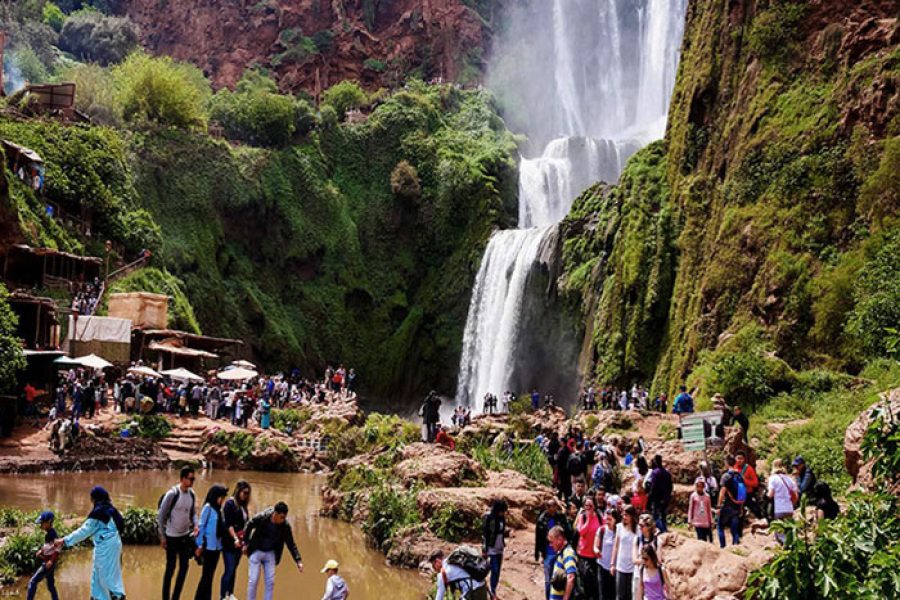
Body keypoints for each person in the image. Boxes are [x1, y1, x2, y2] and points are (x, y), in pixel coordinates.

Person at [55, 486, 126, 600]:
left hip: (105, 547)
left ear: (95, 499)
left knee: (106, 576)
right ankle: (99, 597)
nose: (91, 501)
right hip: (113, 545)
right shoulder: (111, 510)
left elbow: (84, 531)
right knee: (103, 575)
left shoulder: (99, 513)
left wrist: (65, 540)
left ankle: (116, 597)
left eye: (92, 498)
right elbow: (121, 526)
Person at [243, 502, 303, 600]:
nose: (283, 520)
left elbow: (291, 544)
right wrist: (245, 543)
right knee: (253, 580)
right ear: (275, 514)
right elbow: (249, 524)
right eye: (281, 517)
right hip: (256, 550)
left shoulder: (285, 526)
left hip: (270, 553)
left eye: (285, 517)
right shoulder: (262, 517)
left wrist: (298, 560)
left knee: (270, 582)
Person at [158, 467, 198, 600]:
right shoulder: (172, 494)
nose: (192, 481)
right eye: (190, 478)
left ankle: (176, 597)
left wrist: (196, 524)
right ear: (182, 479)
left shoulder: (192, 494)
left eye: (194, 479)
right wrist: (163, 536)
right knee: (170, 569)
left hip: (185, 536)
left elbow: (193, 513)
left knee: (184, 568)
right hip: (171, 537)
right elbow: (161, 516)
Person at [193, 484, 228, 600]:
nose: (222, 500)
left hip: (217, 548)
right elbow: (201, 526)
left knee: (210, 576)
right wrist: (199, 545)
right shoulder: (208, 508)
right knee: (206, 577)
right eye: (221, 497)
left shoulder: (219, 510)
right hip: (208, 547)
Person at [535, 499, 571, 600]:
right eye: (551, 506)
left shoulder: (561, 517)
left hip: (560, 551)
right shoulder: (542, 519)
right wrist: (537, 553)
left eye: (555, 506)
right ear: (547, 507)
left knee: (560, 577)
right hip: (548, 552)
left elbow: (566, 532)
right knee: (548, 580)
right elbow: (538, 537)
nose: (553, 508)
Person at [221, 481, 251, 600]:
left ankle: (230, 593)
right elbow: (229, 524)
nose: (246, 495)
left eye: (248, 493)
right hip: (229, 542)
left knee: (234, 569)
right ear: (238, 491)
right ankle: (222, 596)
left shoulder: (243, 506)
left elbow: (246, 525)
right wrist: (235, 538)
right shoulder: (230, 503)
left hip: (240, 542)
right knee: (229, 569)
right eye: (244, 492)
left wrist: (245, 542)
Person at [27, 511, 59, 600]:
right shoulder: (49, 533)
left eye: (42, 523)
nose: (40, 525)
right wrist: (41, 551)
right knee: (50, 585)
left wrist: (51, 561)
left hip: (48, 564)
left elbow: (57, 548)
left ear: (49, 522)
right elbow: (48, 546)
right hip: (49, 563)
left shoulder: (53, 534)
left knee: (32, 582)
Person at [574, 496, 600, 600]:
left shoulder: (599, 517)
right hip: (583, 554)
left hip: (595, 555)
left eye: (590, 505)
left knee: (594, 583)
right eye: (586, 505)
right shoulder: (582, 517)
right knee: (585, 581)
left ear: (594, 505)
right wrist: (588, 519)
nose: (588, 507)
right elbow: (581, 532)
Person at [766, 459, 798, 544]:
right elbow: (796, 496)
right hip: (789, 509)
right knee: (789, 533)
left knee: (780, 535)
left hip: (779, 509)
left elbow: (770, 494)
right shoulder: (789, 479)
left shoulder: (773, 478)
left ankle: (783, 551)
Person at [611, 505, 638, 600]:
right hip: (620, 566)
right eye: (623, 515)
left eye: (627, 515)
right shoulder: (619, 527)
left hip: (633, 567)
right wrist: (612, 564)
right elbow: (616, 546)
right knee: (620, 595)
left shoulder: (638, 530)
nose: (624, 517)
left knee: (630, 595)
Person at [717, 455, 744, 548]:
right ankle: (735, 547)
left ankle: (723, 547)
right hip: (737, 506)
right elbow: (742, 492)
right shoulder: (739, 476)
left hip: (726, 506)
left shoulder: (726, 476)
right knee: (734, 529)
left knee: (720, 526)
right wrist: (741, 507)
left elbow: (722, 493)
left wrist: (719, 506)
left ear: (727, 463)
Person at [482, 500, 508, 598]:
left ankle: (493, 589)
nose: (503, 513)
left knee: (498, 571)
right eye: (502, 511)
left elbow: (501, 530)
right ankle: (490, 590)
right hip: (491, 547)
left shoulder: (502, 518)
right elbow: (485, 534)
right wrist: (484, 549)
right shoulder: (488, 517)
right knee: (495, 569)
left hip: (499, 546)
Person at [593, 509, 619, 600]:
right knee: (603, 594)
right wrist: (596, 551)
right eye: (606, 519)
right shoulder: (602, 530)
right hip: (602, 566)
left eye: (610, 519)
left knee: (614, 594)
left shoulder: (619, 531)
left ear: (616, 519)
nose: (607, 522)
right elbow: (595, 546)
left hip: (615, 569)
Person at [547, 526, 576, 600]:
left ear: (560, 540)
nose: (550, 545)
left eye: (551, 541)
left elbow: (571, 577)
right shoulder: (561, 553)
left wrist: (565, 598)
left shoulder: (568, 553)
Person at [646, 455, 672, 533]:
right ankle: (664, 529)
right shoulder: (667, 473)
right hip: (665, 498)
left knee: (655, 515)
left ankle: (658, 530)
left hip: (656, 498)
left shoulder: (655, 473)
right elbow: (670, 486)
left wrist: (650, 497)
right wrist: (667, 496)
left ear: (655, 461)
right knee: (663, 515)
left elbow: (653, 486)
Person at [687, 477, 713, 542]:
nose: (700, 488)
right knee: (700, 539)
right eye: (698, 486)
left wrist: (711, 521)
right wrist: (689, 521)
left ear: (704, 487)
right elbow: (691, 509)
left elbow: (709, 509)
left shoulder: (707, 496)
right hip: (697, 522)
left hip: (705, 522)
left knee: (705, 539)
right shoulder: (693, 496)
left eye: (701, 486)